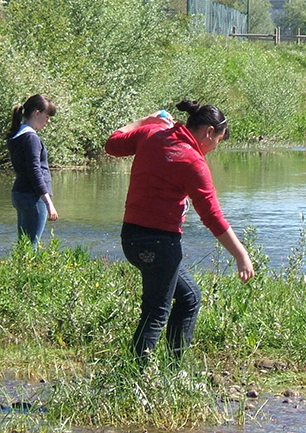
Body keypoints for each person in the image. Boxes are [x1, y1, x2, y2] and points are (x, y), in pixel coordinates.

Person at [105, 99, 255, 366]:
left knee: (189, 297)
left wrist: (144, 121)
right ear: (208, 132)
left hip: (132, 239)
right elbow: (212, 217)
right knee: (156, 313)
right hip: (160, 244)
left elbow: (113, 143)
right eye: (218, 140)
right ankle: (135, 381)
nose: (215, 147)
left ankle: (175, 370)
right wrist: (241, 254)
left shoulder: (152, 134)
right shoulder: (191, 160)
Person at [6, 94, 59, 249]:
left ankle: (20, 271)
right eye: (47, 116)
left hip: (19, 193)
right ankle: (28, 272)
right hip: (33, 197)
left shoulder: (17, 135)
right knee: (31, 246)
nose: (48, 121)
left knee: (24, 245)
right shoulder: (31, 138)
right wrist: (48, 202)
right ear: (37, 113)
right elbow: (35, 172)